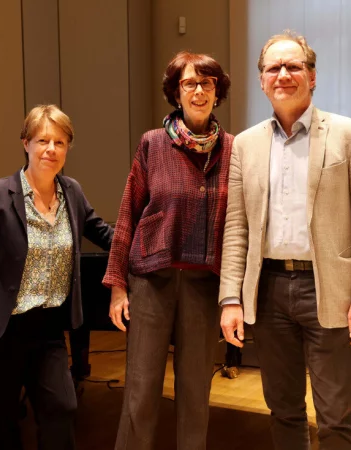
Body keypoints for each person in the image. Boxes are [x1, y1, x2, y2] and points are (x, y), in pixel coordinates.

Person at [218, 31, 351, 450]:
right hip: (269, 291)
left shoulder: (349, 135)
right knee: (284, 410)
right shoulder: (245, 145)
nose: (284, 75)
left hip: (329, 291)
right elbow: (236, 227)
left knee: (336, 416)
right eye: (274, 67)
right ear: (261, 80)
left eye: (294, 66)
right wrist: (230, 298)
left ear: (312, 76)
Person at [0, 104, 114, 450]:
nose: (51, 150)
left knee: (62, 408)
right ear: (25, 143)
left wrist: (150, 241)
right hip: (1, 332)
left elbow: (103, 233)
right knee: (3, 423)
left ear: (68, 148)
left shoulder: (72, 192)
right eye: (43, 140)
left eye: (59, 142)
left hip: (48, 328)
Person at [102, 51, 233, 450]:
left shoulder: (232, 150)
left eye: (206, 83)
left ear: (216, 92)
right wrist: (117, 285)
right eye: (189, 83)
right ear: (176, 92)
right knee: (141, 390)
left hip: (203, 286)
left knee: (196, 392)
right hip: (151, 282)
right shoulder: (152, 144)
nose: (198, 91)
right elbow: (128, 213)